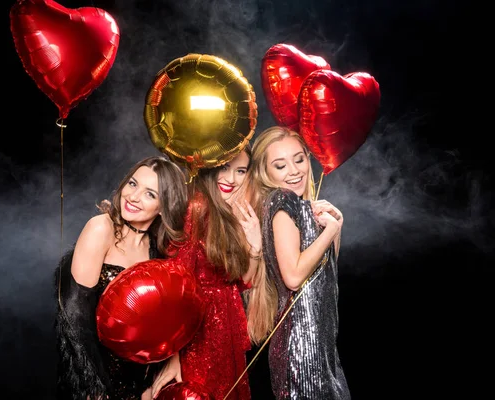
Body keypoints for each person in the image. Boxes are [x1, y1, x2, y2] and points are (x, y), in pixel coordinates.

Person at [54, 156, 189, 400]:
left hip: (138, 379)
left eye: (150, 194)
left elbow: (161, 318)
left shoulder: (155, 248)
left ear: (163, 206)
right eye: (133, 184)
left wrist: (171, 358)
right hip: (94, 376)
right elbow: (74, 317)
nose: (134, 196)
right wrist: (93, 388)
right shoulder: (101, 228)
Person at [149, 146, 262, 400]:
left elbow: (243, 282)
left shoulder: (231, 210)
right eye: (224, 167)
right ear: (211, 166)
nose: (231, 179)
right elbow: (175, 288)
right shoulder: (196, 207)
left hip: (227, 326)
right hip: (197, 333)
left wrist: (255, 245)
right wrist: (173, 357)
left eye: (240, 171)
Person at [247, 126, 351, 399]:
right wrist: (330, 231)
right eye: (280, 165)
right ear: (265, 173)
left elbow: (324, 274)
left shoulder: (302, 206)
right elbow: (293, 277)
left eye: (299, 159)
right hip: (301, 343)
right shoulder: (282, 201)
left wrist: (333, 228)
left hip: (322, 340)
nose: (294, 171)